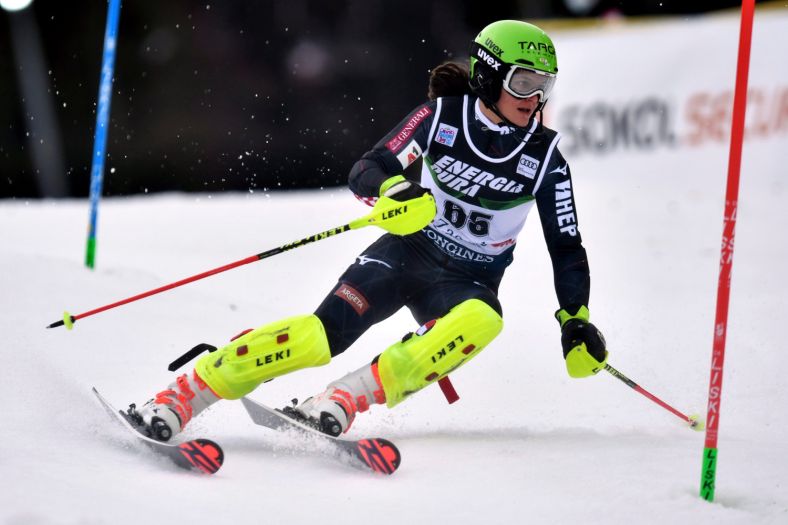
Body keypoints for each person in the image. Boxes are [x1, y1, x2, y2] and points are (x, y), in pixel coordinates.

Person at [129, 19, 608, 442]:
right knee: (318, 340)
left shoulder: (546, 160)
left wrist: (575, 318)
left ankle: (345, 397)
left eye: (545, 84)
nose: (536, 98)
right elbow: (368, 168)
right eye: (524, 82)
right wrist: (397, 191)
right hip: (404, 256)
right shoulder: (441, 118)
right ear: (488, 77)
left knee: (484, 319)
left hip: (467, 282)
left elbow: (566, 247)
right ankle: (184, 396)